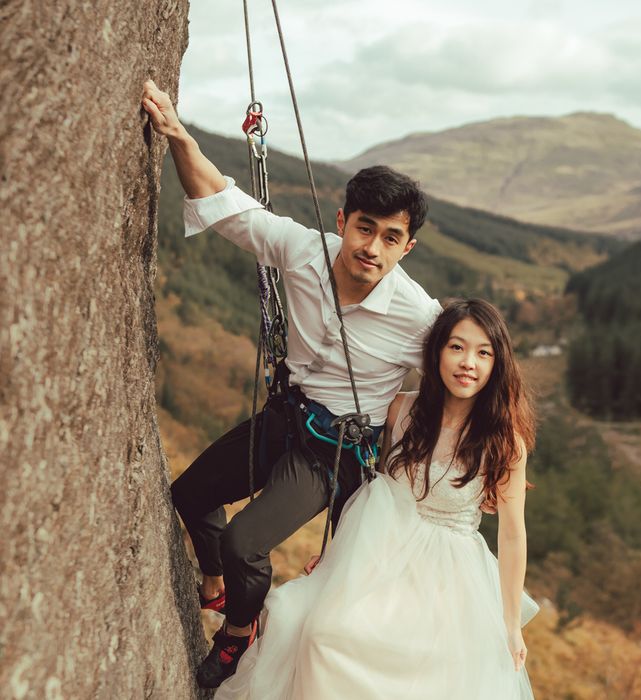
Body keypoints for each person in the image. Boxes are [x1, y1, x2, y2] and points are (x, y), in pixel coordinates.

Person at [142, 81, 443, 688]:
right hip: (287, 415)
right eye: (365, 228)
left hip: (336, 452)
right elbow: (226, 205)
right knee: (191, 495)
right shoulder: (304, 252)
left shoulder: (420, 318)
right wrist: (177, 135)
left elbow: (464, 375)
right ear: (343, 221)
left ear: (408, 246)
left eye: (391, 238)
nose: (373, 248)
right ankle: (222, 588)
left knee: (246, 541)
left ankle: (235, 635)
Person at [215, 298, 539, 700]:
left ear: (497, 363)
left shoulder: (504, 443)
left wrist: (510, 623)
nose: (467, 362)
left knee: (421, 668)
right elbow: (375, 489)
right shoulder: (402, 410)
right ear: (437, 351)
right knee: (317, 632)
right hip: (381, 550)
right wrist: (340, 556)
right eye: (456, 347)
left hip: (448, 574)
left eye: (483, 352)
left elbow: (511, 537)